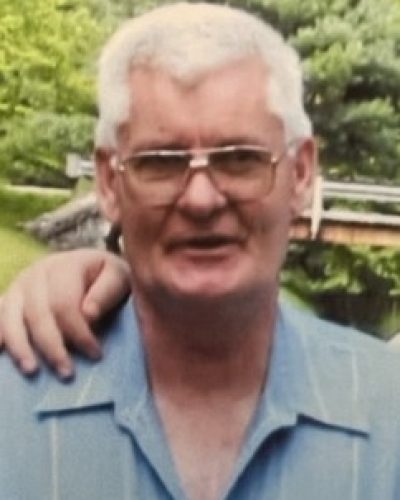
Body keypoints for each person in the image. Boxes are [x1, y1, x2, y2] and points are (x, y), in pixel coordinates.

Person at [1, 3, 400, 499]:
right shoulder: (10, 406)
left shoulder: (389, 414)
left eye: (240, 159)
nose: (202, 200)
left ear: (300, 174)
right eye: (160, 162)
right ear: (108, 182)